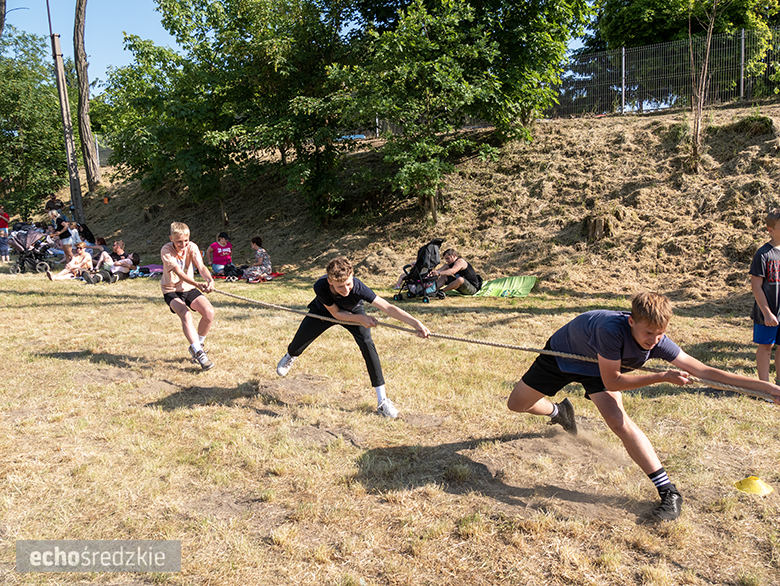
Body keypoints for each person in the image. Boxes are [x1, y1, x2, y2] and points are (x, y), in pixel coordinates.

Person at [507, 291, 780, 522]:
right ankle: (560, 412)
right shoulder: (610, 331)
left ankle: (669, 493)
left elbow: (704, 371)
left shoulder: (657, 339)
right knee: (517, 404)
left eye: (660, 334)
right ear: (631, 321)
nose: (654, 340)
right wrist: (662, 376)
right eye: (648, 333)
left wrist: (767, 388)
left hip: (599, 370)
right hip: (563, 357)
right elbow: (613, 380)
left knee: (619, 422)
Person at [276, 257, 430, 418]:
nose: (346, 289)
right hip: (324, 312)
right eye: (340, 286)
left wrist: (416, 323)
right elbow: (336, 314)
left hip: (353, 310)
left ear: (353, 277)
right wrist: (360, 319)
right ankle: (290, 356)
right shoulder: (320, 287)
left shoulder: (358, 288)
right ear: (330, 281)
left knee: (367, 344)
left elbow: (389, 308)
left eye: (348, 284)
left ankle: (382, 400)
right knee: (298, 343)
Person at [160, 222, 216, 371]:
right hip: (171, 290)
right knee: (186, 314)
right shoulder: (166, 250)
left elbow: (201, 266)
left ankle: (198, 344)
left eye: (186, 240)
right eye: (179, 241)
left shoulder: (192, 247)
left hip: (189, 288)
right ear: (171, 238)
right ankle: (199, 353)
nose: (183, 244)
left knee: (209, 312)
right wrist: (198, 284)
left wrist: (209, 280)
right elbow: (179, 273)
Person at [750, 208, 780, 382]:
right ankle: (764, 385)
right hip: (768, 312)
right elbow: (756, 286)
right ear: (770, 230)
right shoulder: (763, 254)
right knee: (766, 347)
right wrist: (767, 312)